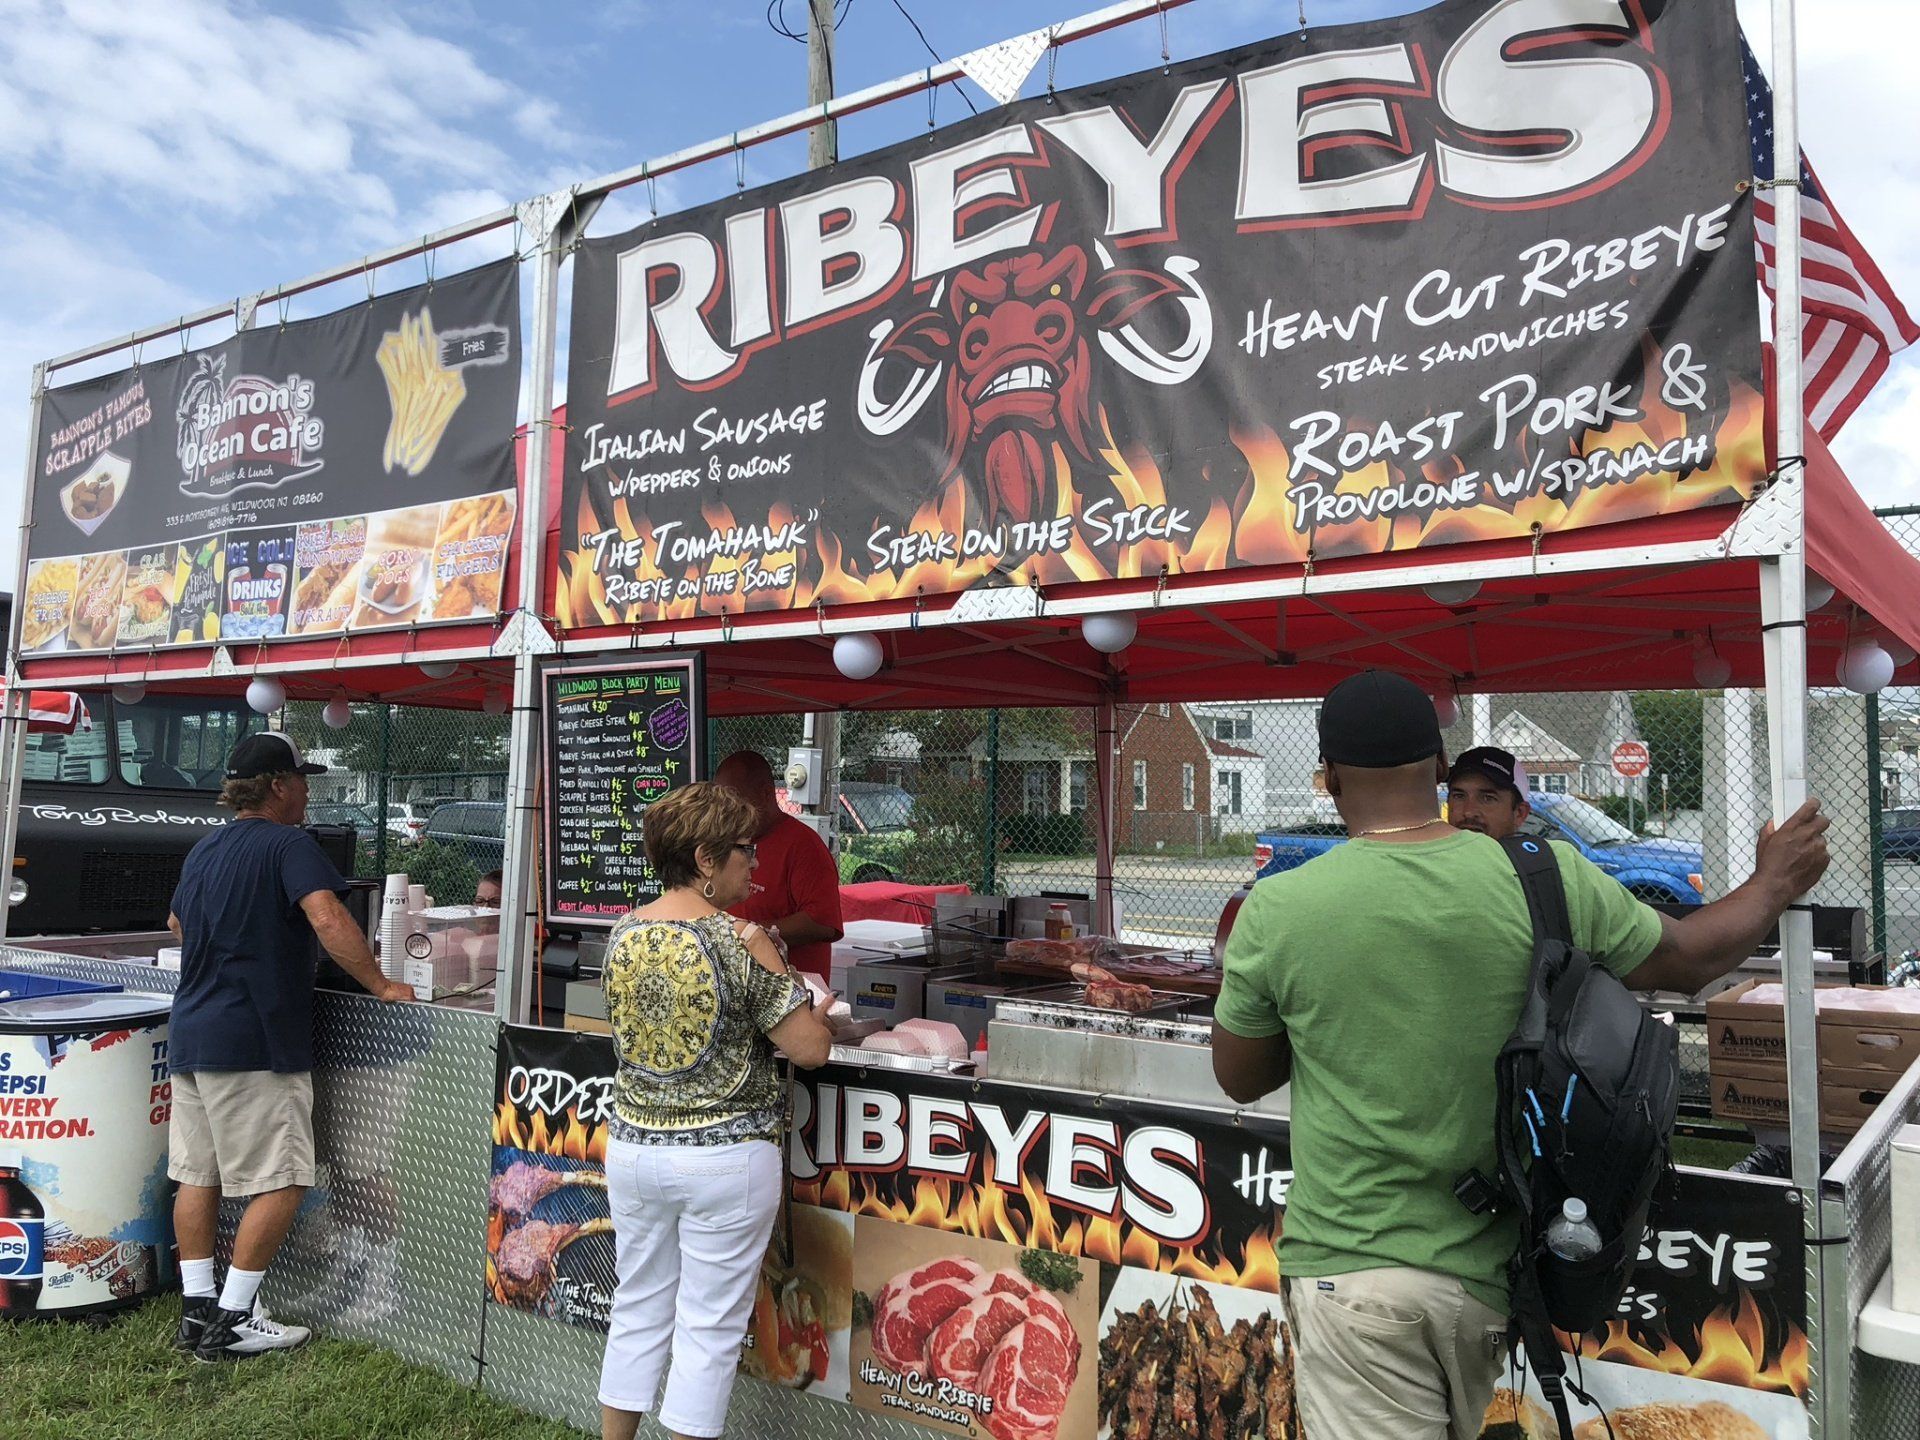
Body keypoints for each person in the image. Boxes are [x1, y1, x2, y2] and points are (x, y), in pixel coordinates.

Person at [1211, 671, 1830, 1440]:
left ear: (1328, 777)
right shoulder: (1542, 875)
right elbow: (1687, 957)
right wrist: (1772, 884)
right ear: (1440, 769)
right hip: (1493, 1275)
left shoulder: (1281, 907)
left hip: (1352, 1268)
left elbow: (1238, 1076)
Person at [166, 731, 414, 1362]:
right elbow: (328, 918)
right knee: (283, 1180)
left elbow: (177, 924)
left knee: (198, 1175)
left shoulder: (206, 849)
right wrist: (383, 984)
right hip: (255, 1039)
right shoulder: (288, 844)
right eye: (301, 779)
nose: (307, 790)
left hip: (193, 1031)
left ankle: (197, 1309)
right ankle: (231, 1321)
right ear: (278, 785)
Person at [598, 782, 834, 1440]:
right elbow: (808, 1049)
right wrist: (813, 1005)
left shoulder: (622, 931)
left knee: (637, 1308)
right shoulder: (741, 940)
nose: (754, 863)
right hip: (723, 1159)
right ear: (706, 858)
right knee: (707, 1329)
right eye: (743, 851)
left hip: (636, 1151)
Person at [712, 750, 843, 978]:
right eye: (722, 801)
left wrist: (750, 934)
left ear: (764, 794)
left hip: (792, 992)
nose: (727, 809)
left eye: (734, 800)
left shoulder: (804, 845)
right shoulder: (723, 842)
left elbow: (823, 922)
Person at [1446, 746, 1531, 840]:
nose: (1469, 812)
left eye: (1487, 798)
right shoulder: (1432, 852)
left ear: (1519, 813)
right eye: (1459, 796)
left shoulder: (1543, 853)